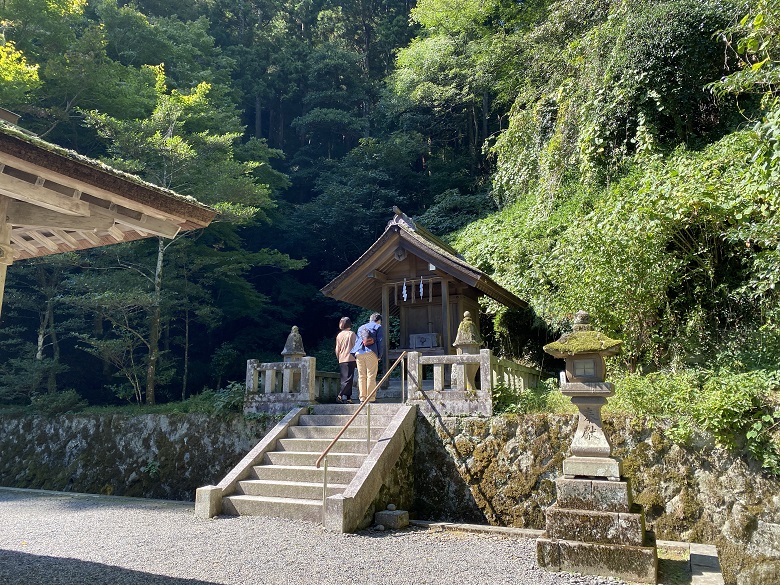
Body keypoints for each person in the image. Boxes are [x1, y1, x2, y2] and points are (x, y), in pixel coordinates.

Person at [350, 312, 383, 403]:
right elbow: (380, 342)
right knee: (371, 376)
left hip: (358, 353)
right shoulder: (378, 327)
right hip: (370, 352)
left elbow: (357, 341)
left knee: (361, 376)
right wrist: (379, 355)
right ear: (378, 320)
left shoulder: (361, 327)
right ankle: (371, 398)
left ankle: (362, 398)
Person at [334, 317, 357, 403]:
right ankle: (340, 395)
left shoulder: (339, 335)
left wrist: (339, 357)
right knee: (349, 378)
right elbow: (355, 347)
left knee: (345, 378)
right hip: (350, 358)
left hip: (341, 358)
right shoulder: (351, 334)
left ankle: (348, 398)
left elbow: (337, 349)